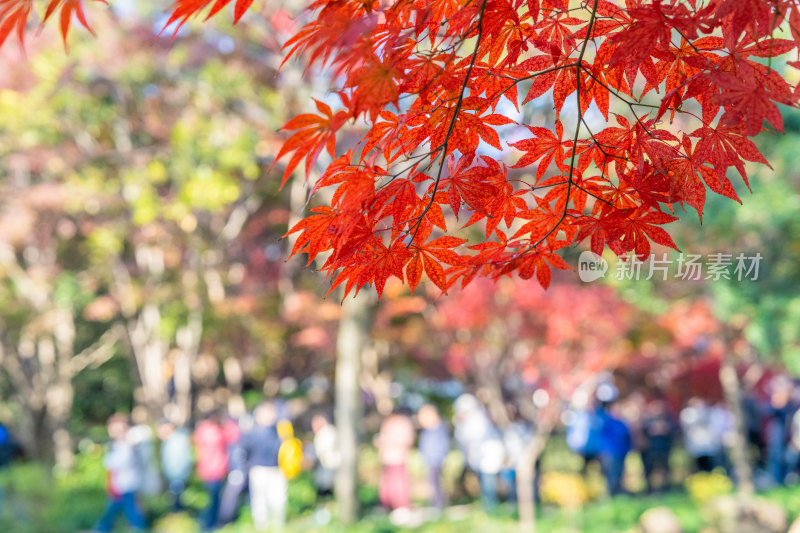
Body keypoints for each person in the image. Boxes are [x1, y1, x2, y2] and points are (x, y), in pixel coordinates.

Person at [93, 414, 148, 533]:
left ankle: (103, 529)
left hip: (127, 485)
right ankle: (102, 528)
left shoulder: (129, 445)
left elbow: (120, 465)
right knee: (115, 511)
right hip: (119, 485)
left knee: (131, 511)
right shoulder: (116, 445)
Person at [243, 402, 286, 531]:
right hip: (259, 470)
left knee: (278, 500)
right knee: (259, 501)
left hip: (276, 470)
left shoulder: (279, 431)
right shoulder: (252, 433)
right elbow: (245, 451)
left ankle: (278, 527)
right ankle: (261, 527)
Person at [194, 411, 232, 531]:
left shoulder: (201, 431)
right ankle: (212, 522)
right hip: (217, 469)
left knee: (211, 497)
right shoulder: (218, 432)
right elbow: (232, 436)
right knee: (215, 498)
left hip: (207, 469)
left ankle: (208, 521)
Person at [375, 411, 415, 511]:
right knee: (387, 483)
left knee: (399, 482)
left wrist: (392, 441)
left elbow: (407, 440)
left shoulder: (403, 423)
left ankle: (401, 505)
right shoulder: (388, 423)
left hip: (398, 457)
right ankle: (387, 504)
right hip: (387, 458)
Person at [217, 413, 250, 526]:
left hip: (238, 472)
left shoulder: (239, 438)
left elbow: (239, 456)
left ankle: (226, 521)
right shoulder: (233, 439)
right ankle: (228, 520)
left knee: (230, 498)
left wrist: (238, 470)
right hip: (235, 471)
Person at [640, 399, 677, 493]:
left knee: (665, 468)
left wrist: (665, 429)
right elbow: (644, 432)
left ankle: (665, 487)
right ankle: (649, 488)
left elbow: (673, 431)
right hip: (651, 449)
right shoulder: (647, 420)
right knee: (649, 469)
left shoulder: (668, 419)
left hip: (664, 448)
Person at [418, 404, 450, 509]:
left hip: (437, 459)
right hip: (429, 459)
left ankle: (439, 505)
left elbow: (443, 445)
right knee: (432, 482)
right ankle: (435, 503)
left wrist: (441, 456)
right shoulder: (427, 430)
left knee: (436, 482)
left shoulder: (440, 429)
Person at [157, 419, 193, 511]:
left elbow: (183, 459)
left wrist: (181, 472)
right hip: (172, 474)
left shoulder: (179, 440)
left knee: (177, 497)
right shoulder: (169, 440)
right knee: (174, 497)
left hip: (178, 473)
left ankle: (179, 515)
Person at [681, 397, 721, 472]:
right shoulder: (687, 413)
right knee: (698, 462)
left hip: (707, 442)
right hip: (696, 442)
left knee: (709, 461)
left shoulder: (707, 411)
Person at [311, 414, 340, 497]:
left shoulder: (326, 433)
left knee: (327, 487)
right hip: (328, 463)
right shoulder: (331, 431)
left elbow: (321, 451)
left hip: (329, 464)